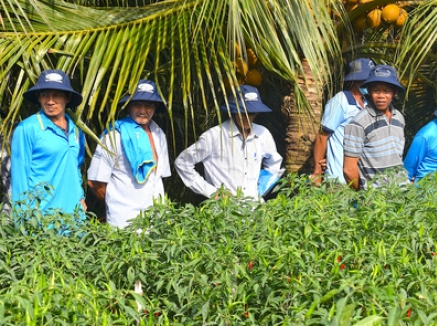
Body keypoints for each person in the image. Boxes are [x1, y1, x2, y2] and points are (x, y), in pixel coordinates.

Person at [175, 85, 283, 201]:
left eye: (251, 113)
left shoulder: (263, 134)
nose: (247, 117)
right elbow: (182, 162)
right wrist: (211, 192)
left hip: (254, 210)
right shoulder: (214, 136)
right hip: (223, 211)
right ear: (233, 111)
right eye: (243, 112)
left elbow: (274, 163)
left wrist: (260, 188)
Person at [87, 80, 171, 228]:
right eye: (137, 104)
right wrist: (115, 205)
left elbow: (157, 179)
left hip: (156, 219)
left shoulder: (159, 134)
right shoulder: (114, 135)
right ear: (129, 106)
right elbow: (95, 181)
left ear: (156, 107)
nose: (143, 110)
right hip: (124, 221)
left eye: (149, 105)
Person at [11, 69, 86, 220]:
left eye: (57, 95)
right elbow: (19, 178)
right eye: (45, 94)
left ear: (67, 97)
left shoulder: (77, 131)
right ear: (39, 97)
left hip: (74, 220)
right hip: (42, 220)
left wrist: (81, 197)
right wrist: (23, 223)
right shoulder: (27, 128)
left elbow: (75, 167)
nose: (50, 101)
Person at [342, 65, 407, 190]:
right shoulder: (358, 123)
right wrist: (364, 194)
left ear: (395, 93)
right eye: (376, 90)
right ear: (369, 91)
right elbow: (349, 170)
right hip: (375, 201)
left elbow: (398, 158)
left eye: (386, 91)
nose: (381, 96)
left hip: (400, 197)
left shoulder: (398, 118)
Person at [312, 58, 374, 184]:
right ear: (355, 80)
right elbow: (322, 137)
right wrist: (317, 171)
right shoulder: (341, 101)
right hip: (339, 179)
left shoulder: (367, 104)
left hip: (360, 179)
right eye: (365, 79)